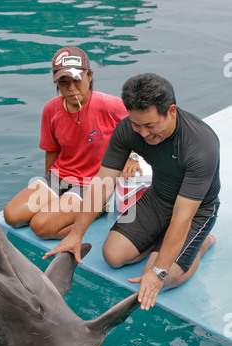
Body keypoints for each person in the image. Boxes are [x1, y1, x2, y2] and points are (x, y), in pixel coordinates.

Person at [43, 73, 220, 311]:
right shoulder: (128, 129)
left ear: (171, 111)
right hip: (158, 197)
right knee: (113, 256)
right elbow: (103, 181)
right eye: (137, 125)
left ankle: (201, 244)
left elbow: (183, 217)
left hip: (196, 211)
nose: (144, 134)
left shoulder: (201, 145)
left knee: (160, 276)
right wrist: (76, 234)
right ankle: (161, 239)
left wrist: (158, 272)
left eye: (150, 126)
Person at [4, 46, 140, 239]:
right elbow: (52, 150)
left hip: (93, 183)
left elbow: (141, 127)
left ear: (90, 76)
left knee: (41, 227)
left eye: (76, 80)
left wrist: (133, 156)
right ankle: (75, 210)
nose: (71, 88)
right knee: (12, 216)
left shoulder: (111, 105)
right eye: (63, 82)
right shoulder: (51, 109)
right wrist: (49, 191)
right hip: (59, 176)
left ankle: (96, 210)